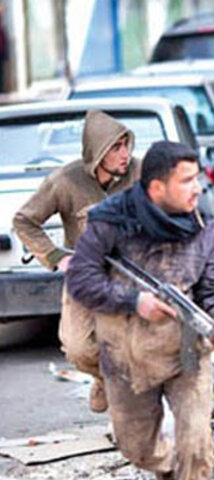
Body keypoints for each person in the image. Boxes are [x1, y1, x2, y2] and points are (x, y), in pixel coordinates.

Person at [66, 141, 214, 480]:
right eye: (186, 180)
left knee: (197, 449)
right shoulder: (111, 221)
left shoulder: (205, 228)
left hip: (187, 353)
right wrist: (134, 301)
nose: (197, 188)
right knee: (139, 448)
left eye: (197, 178)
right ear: (157, 187)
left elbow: (213, 289)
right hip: (126, 356)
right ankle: (170, 470)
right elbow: (81, 279)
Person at [13, 110, 140, 413]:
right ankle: (104, 378)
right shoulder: (65, 181)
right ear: (97, 152)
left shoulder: (140, 173)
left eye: (126, 145)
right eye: (116, 147)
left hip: (132, 274)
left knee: (141, 345)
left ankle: (132, 405)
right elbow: (24, 221)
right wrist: (56, 257)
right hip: (86, 274)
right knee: (78, 348)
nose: (125, 154)